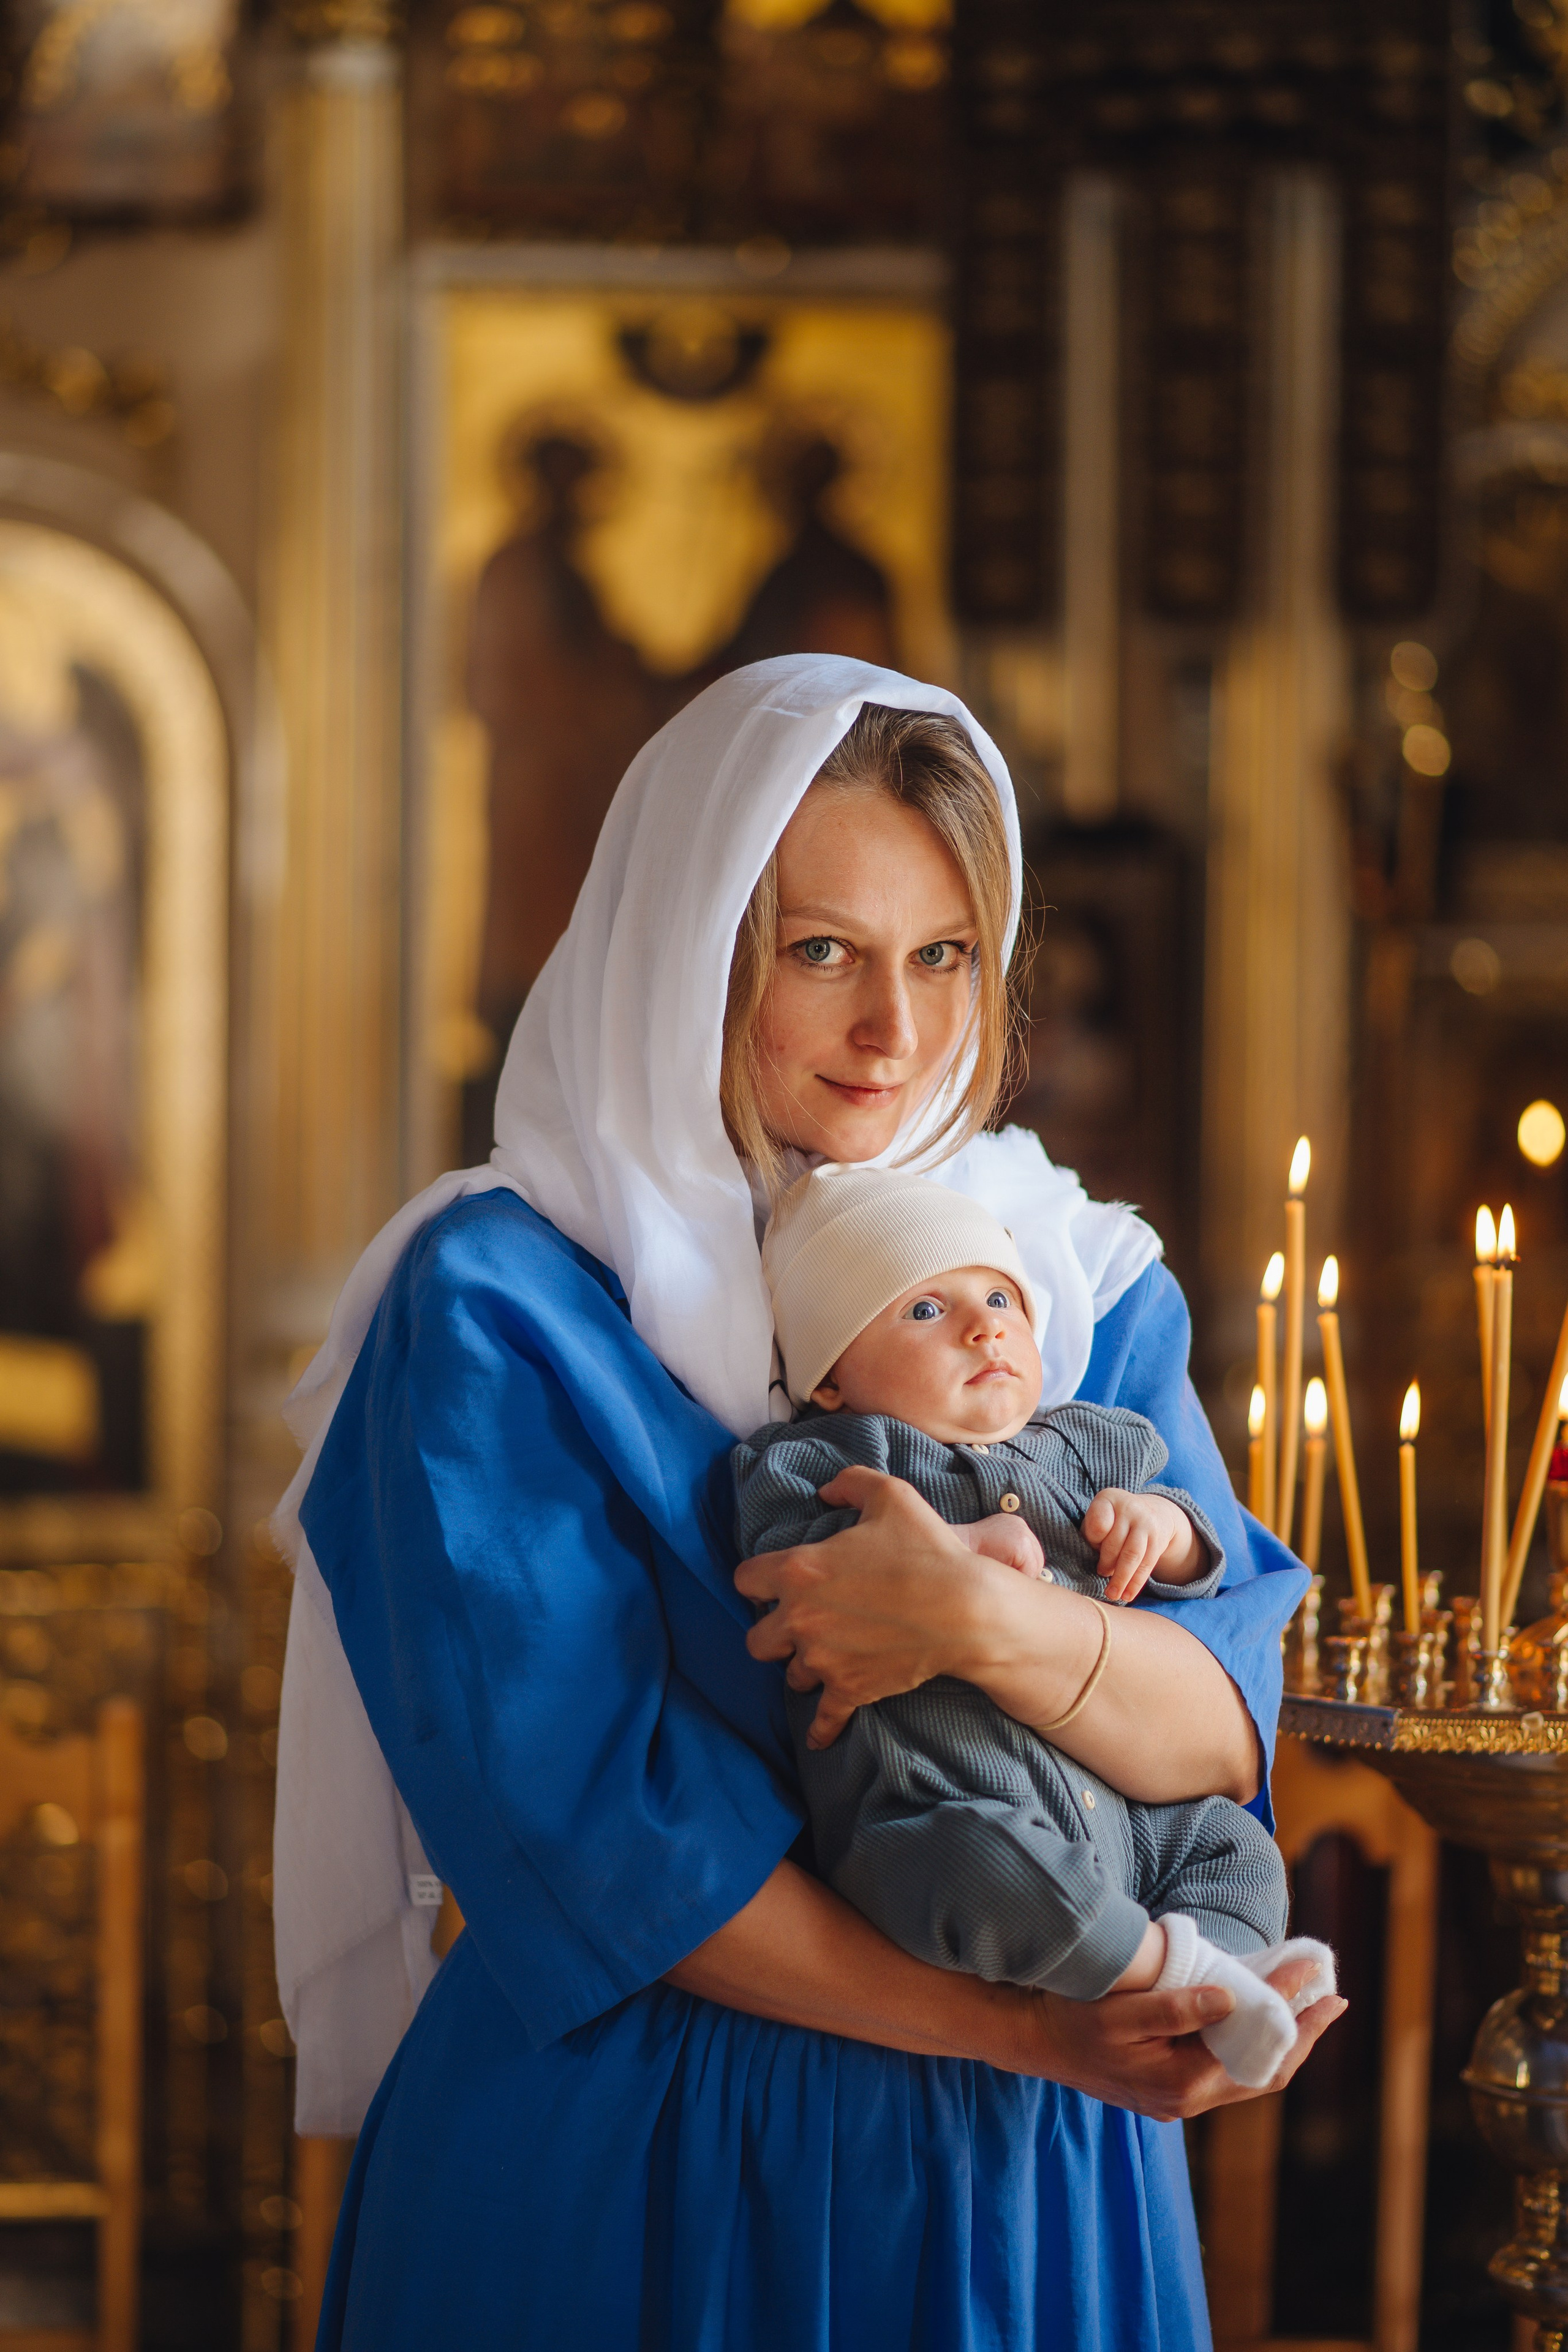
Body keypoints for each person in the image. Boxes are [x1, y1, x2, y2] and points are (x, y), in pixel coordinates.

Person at [273, 659, 1341, 2350]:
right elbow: (607, 1848)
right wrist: (1027, 2027)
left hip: (1028, 2173)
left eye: (944, 956)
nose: (894, 1034)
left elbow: (1219, 1725)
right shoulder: (495, 1307)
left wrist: (974, 1618)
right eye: (820, 951)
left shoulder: (1068, 1284)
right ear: (692, 948)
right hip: (642, 2161)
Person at [736, 1162, 1335, 2090]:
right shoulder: (827, 1458)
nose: (983, 1327)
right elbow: (803, 1563)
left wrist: (1162, 1530)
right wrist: (959, 1550)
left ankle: (1227, 1980)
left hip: (1130, 1815)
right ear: (830, 1379)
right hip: (946, 1803)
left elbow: (1204, 1571)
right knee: (989, 1870)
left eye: (999, 1298)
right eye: (924, 1310)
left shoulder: (1085, 1442)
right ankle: (1175, 1973)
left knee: (1237, 1847)